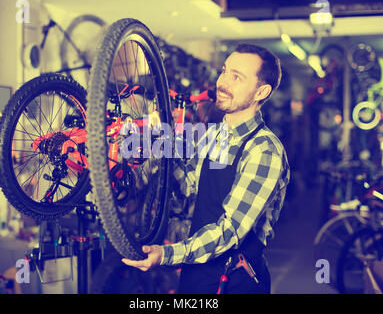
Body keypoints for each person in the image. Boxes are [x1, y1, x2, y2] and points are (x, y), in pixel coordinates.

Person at [122, 43, 290, 294]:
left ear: (260, 92)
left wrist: (167, 254)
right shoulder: (215, 135)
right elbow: (186, 183)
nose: (223, 82)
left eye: (236, 77)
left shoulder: (263, 150)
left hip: (234, 280)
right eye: (224, 71)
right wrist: (157, 147)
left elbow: (229, 231)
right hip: (196, 273)